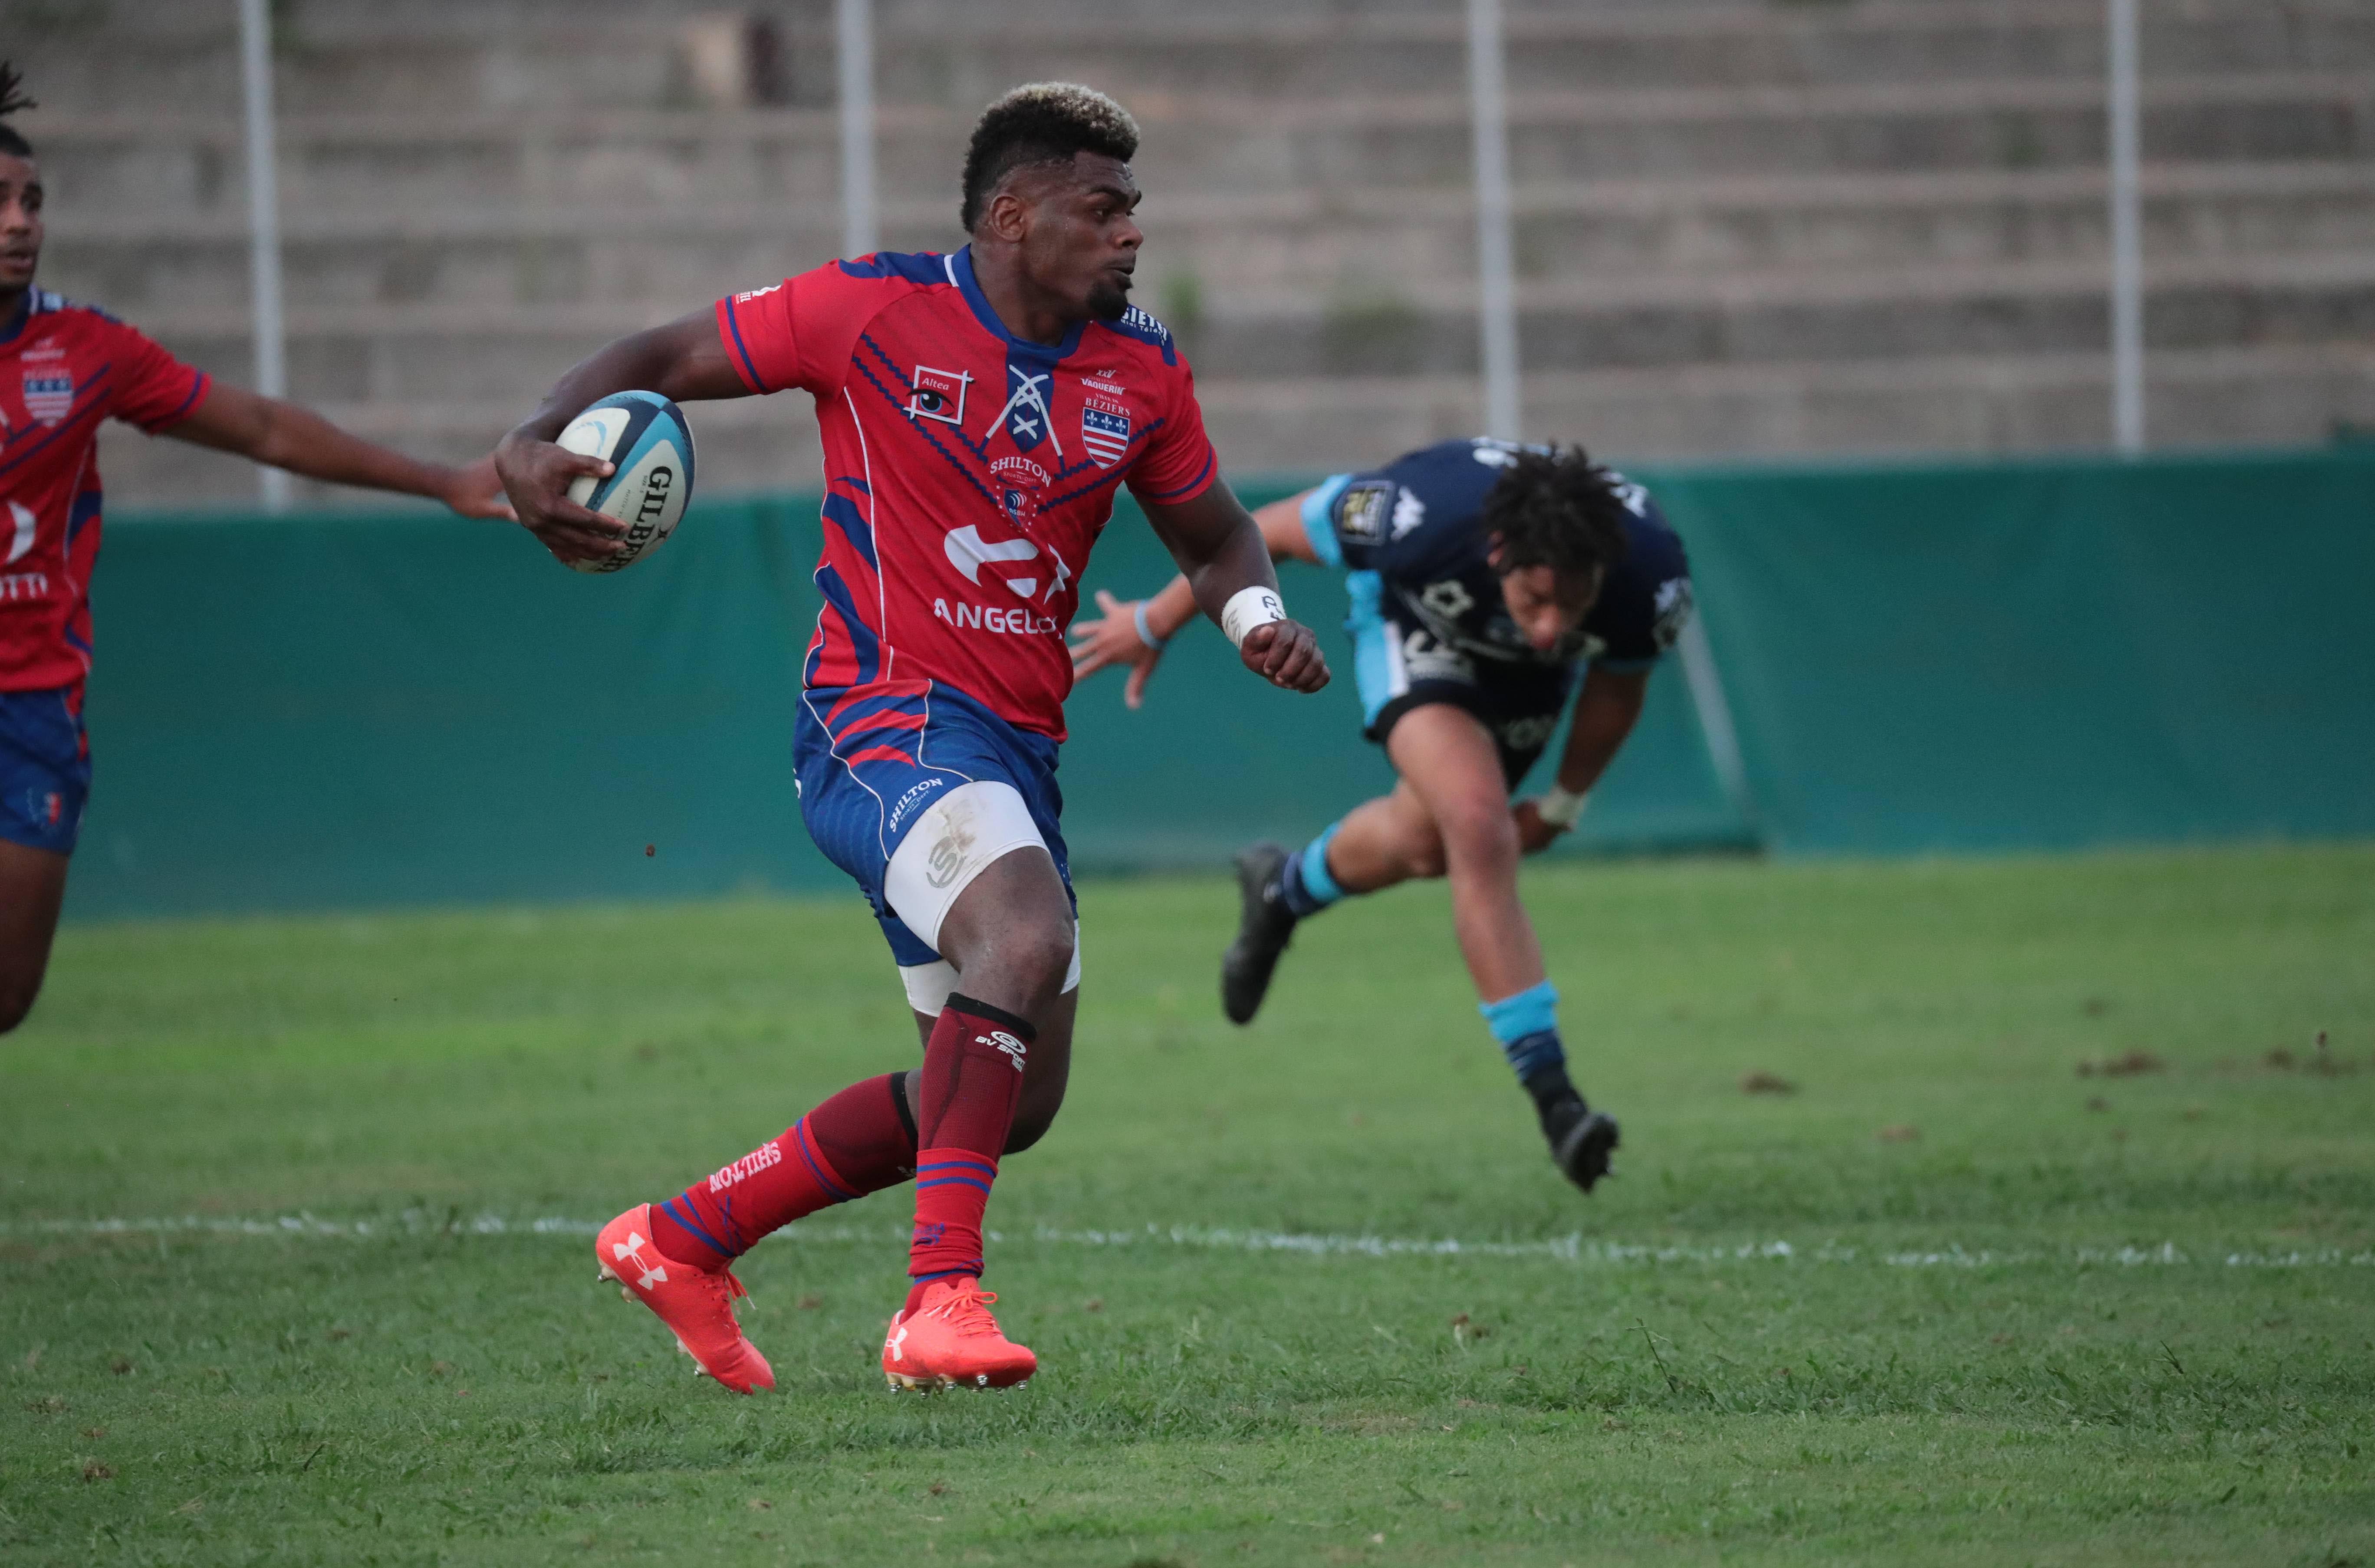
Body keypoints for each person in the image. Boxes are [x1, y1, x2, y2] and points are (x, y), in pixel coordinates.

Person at [494, 82, 1328, 1396]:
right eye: (1100, 210)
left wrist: (1255, 616)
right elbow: (662, 354)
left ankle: (681, 1239)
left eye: (1135, 213)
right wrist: (533, 438)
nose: (1130, 237)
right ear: (1011, 215)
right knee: (1025, 937)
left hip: (1015, 753)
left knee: (1014, 1098)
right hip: (878, 718)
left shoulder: (1144, 366)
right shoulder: (872, 309)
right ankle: (937, 1301)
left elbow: (1216, 534)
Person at [0, 66, 512, 1035]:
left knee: (9, 997)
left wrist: (445, 481)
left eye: (33, 202)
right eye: (0, 203)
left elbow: (267, 430)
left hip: (31, 706)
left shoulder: (84, 351)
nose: (21, 222)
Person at [1071, 437, 1693, 1195]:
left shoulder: (1649, 574)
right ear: (1497, 551)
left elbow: (1617, 688)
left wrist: (1565, 803)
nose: (1550, 626)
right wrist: (1153, 621)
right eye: (1536, 599)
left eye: (1574, 604)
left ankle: (1284, 890)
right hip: (1415, 630)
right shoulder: (1418, 515)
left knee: (1431, 845)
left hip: (1524, 684)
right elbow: (1264, 532)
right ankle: (1558, 1103)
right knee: (1478, 824)